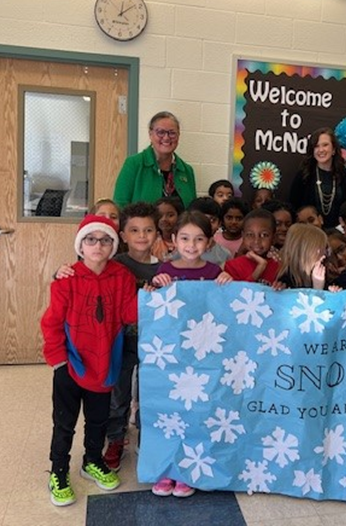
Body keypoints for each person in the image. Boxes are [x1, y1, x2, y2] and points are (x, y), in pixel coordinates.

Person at [41, 215, 137, 507]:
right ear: (80, 246)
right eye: (90, 239)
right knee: (64, 422)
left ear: (113, 245)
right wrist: (58, 360)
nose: (98, 245)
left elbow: (129, 315)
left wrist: (153, 294)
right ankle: (58, 469)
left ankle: (92, 460)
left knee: (98, 420)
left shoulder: (122, 277)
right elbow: (52, 323)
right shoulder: (66, 280)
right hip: (69, 364)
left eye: (105, 240)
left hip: (104, 365)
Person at [148, 211, 231, 498]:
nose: (191, 245)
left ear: (209, 243)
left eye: (198, 239)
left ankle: (187, 471)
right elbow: (154, 309)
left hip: (202, 357)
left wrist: (226, 284)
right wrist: (156, 288)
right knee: (169, 413)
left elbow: (223, 310)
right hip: (171, 356)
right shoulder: (164, 271)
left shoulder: (213, 272)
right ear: (173, 240)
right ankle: (167, 470)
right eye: (185, 238)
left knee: (197, 414)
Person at [102, 202, 161, 471]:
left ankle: (148, 436)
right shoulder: (113, 265)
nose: (141, 236)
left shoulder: (164, 268)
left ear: (157, 233)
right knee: (119, 391)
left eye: (148, 230)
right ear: (123, 235)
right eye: (134, 230)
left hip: (154, 344)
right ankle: (115, 438)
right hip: (120, 342)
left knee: (150, 391)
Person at [113, 111, 196, 208]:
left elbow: (192, 211)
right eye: (160, 132)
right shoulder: (134, 164)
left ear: (178, 135)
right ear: (150, 134)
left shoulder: (187, 171)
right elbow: (119, 205)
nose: (166, 138)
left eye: (172, 133)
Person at [288, 127, 346, 229]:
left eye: (325, 145)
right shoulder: (304, 175)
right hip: (309, 233)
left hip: (338, 235)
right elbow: (293, 207)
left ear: (333, 149)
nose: (321, 150)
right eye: (316, 146)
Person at [224, 209, 279, 284]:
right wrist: (259, 269)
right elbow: (237, 293)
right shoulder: (232, 266)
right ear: (243, 236)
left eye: (264, 235)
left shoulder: (279, 268)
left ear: (274, 238)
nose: (256, 241)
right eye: (250, 235)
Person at [274, 223, 330, 290]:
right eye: (319, 250)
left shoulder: (320, 273)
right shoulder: (285, 281)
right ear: (305, 252)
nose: (324, 255)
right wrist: (318, 287)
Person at [182, 197, 232, 267]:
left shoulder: (224, 255)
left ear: (219, 223)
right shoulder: (180, 252)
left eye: (212, 220)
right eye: (200, 219)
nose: (206, 224)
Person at [151, 196, 183, 261]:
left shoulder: (186, 241)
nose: (164, 219)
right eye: (160, 215)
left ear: (179, 216)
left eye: (170, 215)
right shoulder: (152, 242)